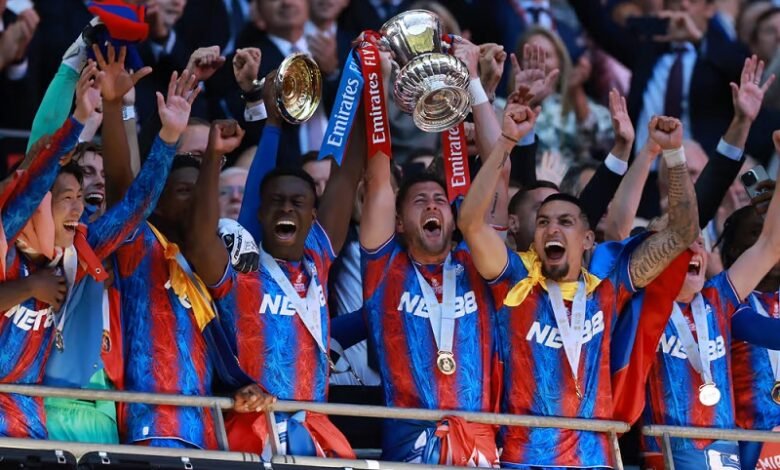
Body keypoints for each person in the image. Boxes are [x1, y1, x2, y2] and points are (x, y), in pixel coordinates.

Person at [459, 95, 699, 467]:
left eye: (565, 222)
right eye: (543, 222)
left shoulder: (609, 281)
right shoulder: (515, 278)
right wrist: (506, 142)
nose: (551, 228)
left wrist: (675, 156)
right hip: (525, 461)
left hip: (596, 459)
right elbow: (470, 223)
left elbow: (683, 234)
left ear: (588, 240)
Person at [194, 68, 364, 458]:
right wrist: (213, 158)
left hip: (315, 433)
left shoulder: (319, 255)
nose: (286, 208)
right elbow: (199, 236)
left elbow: (347, 173)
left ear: (312, 215)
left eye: (298, 202)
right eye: (275, 202)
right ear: (261, 214)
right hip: (252, 434)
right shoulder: (240, 270)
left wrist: (369, 85)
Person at [641, 143, 780, 468]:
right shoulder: (644, 304)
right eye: (677, 245)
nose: (692, 250)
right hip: (679, 447)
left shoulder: (716, 301)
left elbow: (771, 245)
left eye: (698, 242)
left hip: (726, 448)